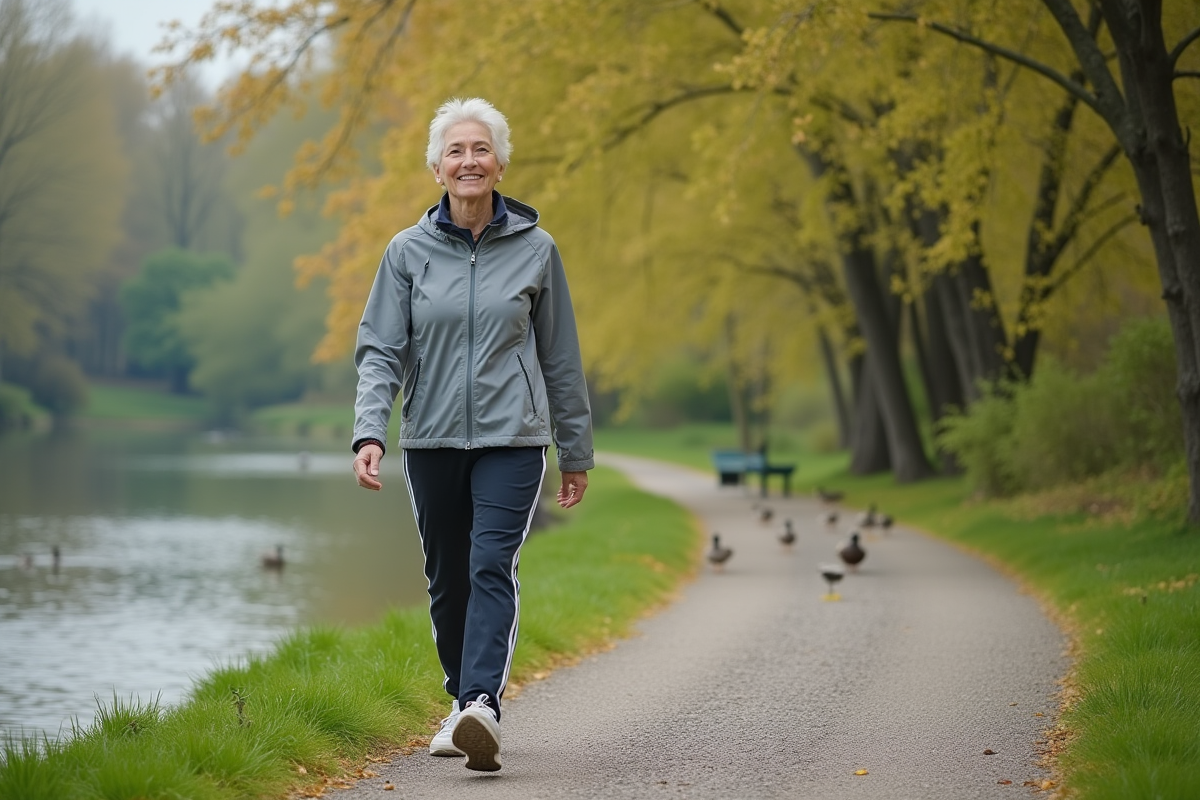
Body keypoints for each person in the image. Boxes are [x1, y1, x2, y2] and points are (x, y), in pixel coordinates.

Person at [350, 97, 594, 773]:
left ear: (501, 162)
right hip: (429, 439)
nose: (468, 161)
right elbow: (381, 352)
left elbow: (561, 359)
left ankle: (481, 702)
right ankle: (460, 704)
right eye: (455, 151)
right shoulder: (406, 253)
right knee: (445, 579)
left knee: (491, 564)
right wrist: (370, 432)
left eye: (480, 149)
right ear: (436, 167)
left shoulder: (536, 251)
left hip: (512, 437)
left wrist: (575, 451)